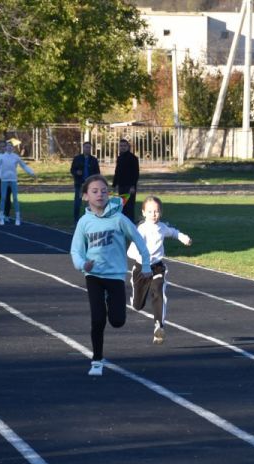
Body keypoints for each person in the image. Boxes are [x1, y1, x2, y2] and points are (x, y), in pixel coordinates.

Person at [70, 175, 151, 376]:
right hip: (94, 275)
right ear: (85, 196)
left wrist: (146, 265)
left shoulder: (119, 219)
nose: (100, 194)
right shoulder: (84, 222)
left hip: (115, 275)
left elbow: (139, 241)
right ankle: (97, 360)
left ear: (109, 194)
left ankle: (111, 301)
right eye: (95, 191)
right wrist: (83, 264)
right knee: (98, 319)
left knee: (117, 321)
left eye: (104, 191)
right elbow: (75, 251)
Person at [127, 196, 192, 345]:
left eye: (156, 211)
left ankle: (159, 326)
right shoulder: (142, 229)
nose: (153, 214)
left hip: (157, 267)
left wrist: (184, 238)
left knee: (158, 290)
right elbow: (130, 252)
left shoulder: (162, 227)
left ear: (160, 212)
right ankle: (135, 298)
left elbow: (173, 232)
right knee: (138, 305)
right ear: (143, 213)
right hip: (141, 269)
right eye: (150, 211)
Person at [0, 141, 34, 226]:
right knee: (3, 198)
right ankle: (2, 217)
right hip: (4, 180)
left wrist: (31, 172)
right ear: (6, 147)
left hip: (13, 180)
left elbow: (24, 166)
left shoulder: (16, 157)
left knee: (15, 198)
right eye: (8, 146)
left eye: (11, 146)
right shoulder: (2, 157)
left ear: (13, 148)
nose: (9, 147)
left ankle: (18, 217)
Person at [70, 140, 99, 225]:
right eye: (86, 147)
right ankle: (76, 219)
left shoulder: (93, 160)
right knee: (78, 202)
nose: (88, 149)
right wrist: (77, 172)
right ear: (83, 148)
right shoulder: (77, 158)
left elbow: (97, 172)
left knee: (90, 203)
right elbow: (72, 170)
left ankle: (89, 219)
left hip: (90, 185)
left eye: (89, 148)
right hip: (79, 184)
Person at [112, 138, 139, 223]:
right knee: (122, 205)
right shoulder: (120, 158)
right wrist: (114, 184)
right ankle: (123, 223)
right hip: (121, 186)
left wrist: (133, 186)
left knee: (130, 206)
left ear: (128, 147)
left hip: (129, 186)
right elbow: (117, 171)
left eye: (124, 146)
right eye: (121, 146)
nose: (122, 147)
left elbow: (135, 173)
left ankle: (131, 223)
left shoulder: (133, 158)